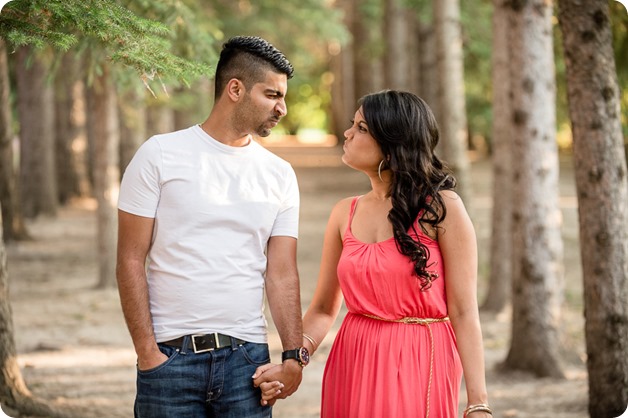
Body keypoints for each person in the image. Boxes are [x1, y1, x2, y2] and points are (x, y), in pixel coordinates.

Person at [255, 90, 491, 418]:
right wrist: (296, 359)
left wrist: (478, 403)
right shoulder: (344, 212)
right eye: (353, 124)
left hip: (419, 358)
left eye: (362, 128)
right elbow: (323, 308)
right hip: (353, 357)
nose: (348, 133)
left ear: (394, 146)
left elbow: (464, 312)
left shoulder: (442, 208)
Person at [116, 35, 307, 418]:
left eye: (283, 97)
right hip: (169, 359)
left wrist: (292, 357)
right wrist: (147, 353)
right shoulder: (159, 154)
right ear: (235, 88)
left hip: (247, 363)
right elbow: (130, 260)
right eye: (272, 95)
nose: (282, 108)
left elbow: (282, 273)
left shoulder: (279, 174)